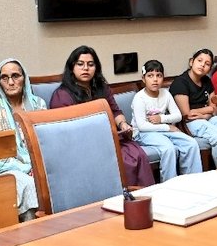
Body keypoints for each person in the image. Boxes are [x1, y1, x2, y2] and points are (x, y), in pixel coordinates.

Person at [50, 46, 155, 187]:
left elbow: (115, 111)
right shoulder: (62, 95)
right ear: (72, 67)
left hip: (109, 139)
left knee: (138, 155)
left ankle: (142, 198)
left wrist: (123, 124)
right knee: (122, 161)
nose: (85, 68)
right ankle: (123, 200)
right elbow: (63, 132)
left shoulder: (101, 88)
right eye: (80, 64)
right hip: (81, 145)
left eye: (90, 64)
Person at [0, 58, 47, 222]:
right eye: (5, 78)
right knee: (28, 185)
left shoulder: (38, 105)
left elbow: (47, 144)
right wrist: (27, 168)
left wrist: (37, 167)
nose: (10, 82)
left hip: (39, 165)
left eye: (15, 76)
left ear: (24, 78)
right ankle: (33, 237)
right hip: (4, 169)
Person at [131, 60, 202, 181]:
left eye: (159, 75)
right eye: (150, 76)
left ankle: (192, 180)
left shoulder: (165, 94)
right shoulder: (139, 98)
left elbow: (178, 116)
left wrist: (161, 118)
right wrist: (167, 127)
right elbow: (142, 126)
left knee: (191, 143)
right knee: (168, 148)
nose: (155, 79)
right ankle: (169, 184)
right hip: (143, 133)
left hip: (162, 129)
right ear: (143, 79)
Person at [169, 49, 217, 168]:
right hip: (189, 123)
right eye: (199, 60)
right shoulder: (180, 82)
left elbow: (214, 107)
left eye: (207, 64)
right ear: (191, 62)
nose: (203, 65)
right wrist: (208, 110)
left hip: (206, 118)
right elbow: (187, 114)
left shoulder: (207, 81)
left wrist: (205, 113)